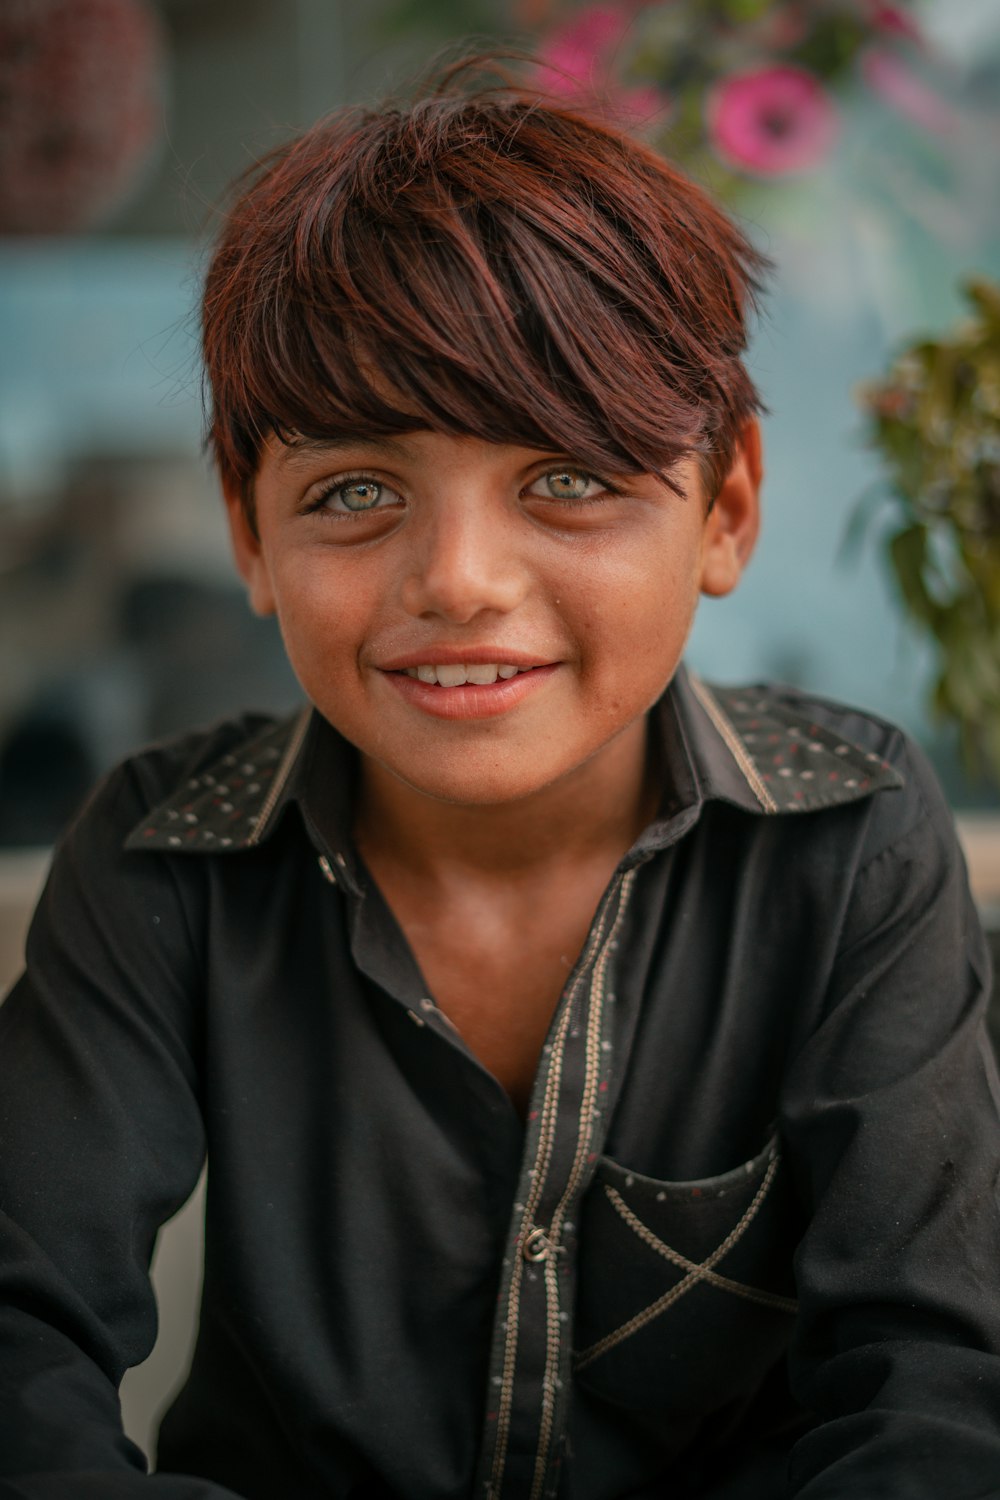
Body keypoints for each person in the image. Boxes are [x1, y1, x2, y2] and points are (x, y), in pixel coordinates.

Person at [1, 59, 998, 1500]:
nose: (459, 581)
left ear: (724, 510)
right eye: (354, 492)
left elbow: (934, 1398)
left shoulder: (849, 838)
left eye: (570, 478)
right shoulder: (166, 860)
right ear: (248, 532)